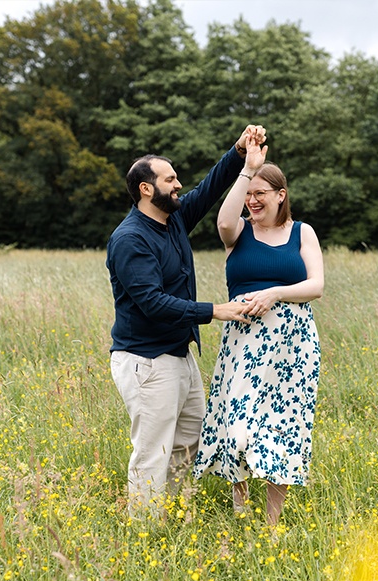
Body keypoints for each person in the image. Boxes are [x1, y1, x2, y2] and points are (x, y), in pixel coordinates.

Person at [106, 125, 267, 514]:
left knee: (188, 441)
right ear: (146, 189)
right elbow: (152, 303)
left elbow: (209, 189)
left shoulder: (174, 219)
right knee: (153, 452)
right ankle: (144, 530)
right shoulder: (130, 239)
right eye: (170, 179)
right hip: (146, 360)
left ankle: (174, 517)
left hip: (179, 354)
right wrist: (215, 310)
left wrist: (239, 151)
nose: (178, 185)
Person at [193, 133, 324, 526]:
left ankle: (272, 523)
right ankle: (240, 508)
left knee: (283, 428)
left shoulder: (302, 232)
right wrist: (247, 170)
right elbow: (223, 220)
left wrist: (276, 293)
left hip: (293, 344)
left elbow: (316, 285)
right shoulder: (238, 233)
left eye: (260, 193)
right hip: (244, 344)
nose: (252, 200)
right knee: (238, 426)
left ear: (281, 195)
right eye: (249, 193)